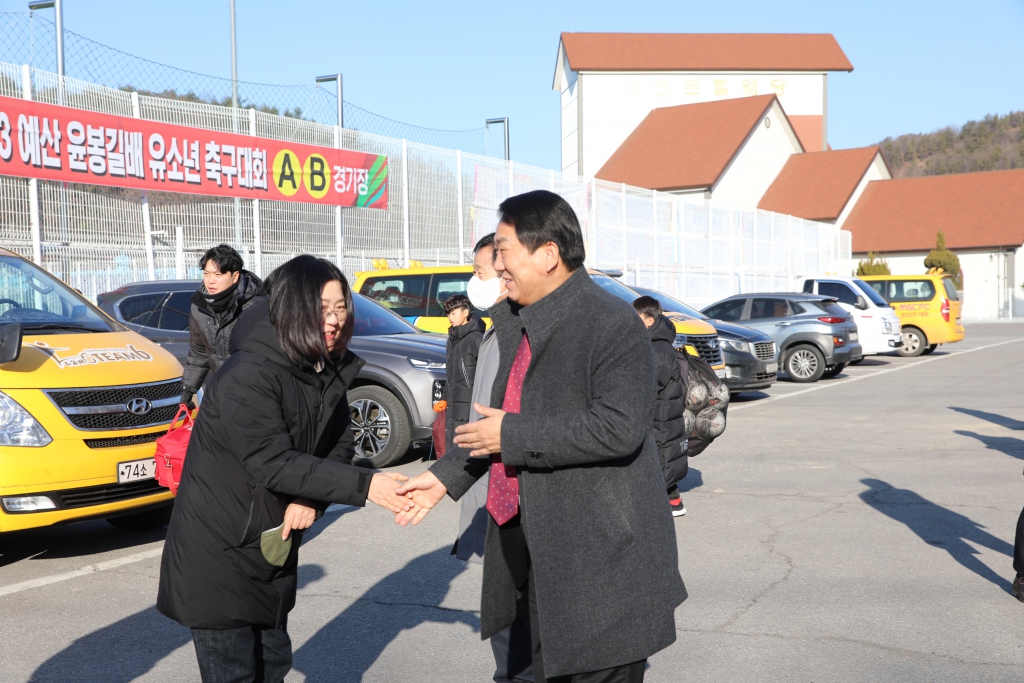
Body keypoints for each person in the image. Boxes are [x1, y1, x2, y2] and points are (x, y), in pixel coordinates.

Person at [397, 190, 687, 683]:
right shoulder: (515, 321)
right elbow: (494, 425)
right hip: (521, 546)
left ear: (549, 254)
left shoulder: (611, 323)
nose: (495, 262)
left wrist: (509, 433)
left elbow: (618, 427)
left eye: (504, 249)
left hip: (599, 562)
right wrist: (445, 477)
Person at [157, 255, 412, 683]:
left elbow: (341, 440)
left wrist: (311, 497)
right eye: (321, 309)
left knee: (273, 665)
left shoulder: (318, 367)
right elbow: (272, 462)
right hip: (218, 554)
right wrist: (368, 486)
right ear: (291, 309)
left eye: (340, 307)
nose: (333, 320)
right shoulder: (248, 372)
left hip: (270, 546)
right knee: (235, 674)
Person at [454, 233, 534, 683]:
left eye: (482, 271)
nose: (476, 281)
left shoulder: (522, 336)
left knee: (520, 624)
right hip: (492, 492)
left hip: (514, 499)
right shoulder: (493, 331)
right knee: (509, 624)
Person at [181, 244, 263, 409]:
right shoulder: (199, 306)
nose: (211, 280)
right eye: (206, 273)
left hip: (257, 395)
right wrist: (189, 388)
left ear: (235, 276)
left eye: (218, 274)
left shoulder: (257, 307)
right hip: (222, 392)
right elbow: (199, 351)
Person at [633, 296, 689, 518]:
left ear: (648, 320)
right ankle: (673, 502)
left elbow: (650, 384)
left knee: (660, 455)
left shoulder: (657, 349)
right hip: (663, 413)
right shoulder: (657, 344)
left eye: (636, 316)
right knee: (662, 455)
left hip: (661, 414)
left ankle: (669, 504)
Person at [443, 293, 486, 453]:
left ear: (465, 313)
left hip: (470, 402)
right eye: (448, 314)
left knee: (466, 446)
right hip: (454, 402)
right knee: (453, 443)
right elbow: (450, 374)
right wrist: (445, 398)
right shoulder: (452, 339)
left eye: (453, 313)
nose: (450, 318)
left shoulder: (476, 338)